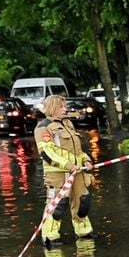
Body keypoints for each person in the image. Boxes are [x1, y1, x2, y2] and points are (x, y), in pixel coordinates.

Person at [35, 94, 95, 247]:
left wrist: (86, 160)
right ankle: (50, 236)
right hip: (58, 175)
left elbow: (77, 150)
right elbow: (47, 153)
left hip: (77, 173)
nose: (65, 109)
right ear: (53, 108)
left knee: (83, 202)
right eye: (61, 106)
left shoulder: (68, 124)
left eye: (64, 106)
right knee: (57, 205)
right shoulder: (43, 128)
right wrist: (67, 165)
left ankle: (84, 232)